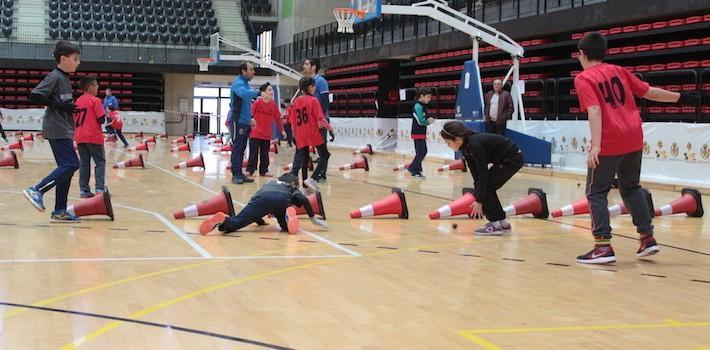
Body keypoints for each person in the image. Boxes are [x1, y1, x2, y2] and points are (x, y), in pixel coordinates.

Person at [573, 32, 699, 264]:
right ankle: (647, 238)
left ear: (582, 54)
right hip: (633, 137)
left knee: (595, 192)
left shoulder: (583, 78)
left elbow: (595, 111)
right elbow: (649, 92)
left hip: (610, 141)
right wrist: (680, 98)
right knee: (631, 188)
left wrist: (596, 146)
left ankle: (602, 246)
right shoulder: (619, 71)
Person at [23, 41, 82, 222]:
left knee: (67, 169)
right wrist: (58, 105)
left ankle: (60, 211)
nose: (78, 62)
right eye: (75, 59)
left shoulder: (65, 79)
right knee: (72, 164)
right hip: (56, 128)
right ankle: (36, 190)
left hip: (63, 128)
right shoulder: (55, 76)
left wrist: (65, 107)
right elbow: (35, 95)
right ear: (63, 59)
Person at [440, 121, 523, 236]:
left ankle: (494, 224)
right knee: (483, 186)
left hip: (512, 160)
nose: (448, 146)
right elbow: (475, 173)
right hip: (505, 160)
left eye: (448, 143)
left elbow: (483, 172)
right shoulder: (466, 148)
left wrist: (479, 201)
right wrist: (478, 191)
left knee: (486, 185)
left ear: (457, 139)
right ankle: (502, 222)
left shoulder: (474, 144)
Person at [199, 174, 328, 235]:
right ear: (294, 183)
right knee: (285, 228)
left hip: (261, 198)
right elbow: (304, 200)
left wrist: (259, 221)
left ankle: (224, 221)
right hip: (282, 202)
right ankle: (288, 218)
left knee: (238, 221)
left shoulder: (269, 184)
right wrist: (312, 218)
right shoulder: (292, 188)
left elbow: (255, 208)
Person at [289, 77, 332, 189]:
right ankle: (312, 179)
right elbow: (321, 118)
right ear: (309, 87)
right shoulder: (313, 100)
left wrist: (294, 135)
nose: (314, 88)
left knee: (304, 158)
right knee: (325, 155)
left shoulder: (296, 101)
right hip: (312, 132)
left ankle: (304, 182)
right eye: (313, 86)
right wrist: (330, 129)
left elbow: (292, 120)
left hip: (300, 133)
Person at [73, 76, 107, 198]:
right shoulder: (95, 100)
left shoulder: (77, 101)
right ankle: (99, 189)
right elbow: (101, 119)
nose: (98, 87)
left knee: (84, 163)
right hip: (93, 135)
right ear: (90, 87)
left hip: (80, 136)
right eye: (96, 85)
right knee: (100, 162)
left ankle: (84, 190)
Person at [303, 57, 335, 178]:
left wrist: (320, 118)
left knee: (322, 148)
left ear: (314, 67)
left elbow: (325, 102)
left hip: (319, 120)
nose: (304, 66)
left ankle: (322, 173)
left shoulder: (320, 81)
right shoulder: (307, 82)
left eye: (306, 64)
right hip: (311, 121)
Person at [230, 62, 261, 185]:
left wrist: (251, 118)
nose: (254, 72)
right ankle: (236, 175)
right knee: (237, 148)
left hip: (245, 122)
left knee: (242, 148)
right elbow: (243, 94)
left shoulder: (246, 84)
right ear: (243, 71)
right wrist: (259, 93)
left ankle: (240, 173)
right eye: (251, 69)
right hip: (238, 121)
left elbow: (247, 105)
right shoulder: (238, 83)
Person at [246, 82, 286, 177]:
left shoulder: (273, 105)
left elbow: (278, 119)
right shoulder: (257, 103)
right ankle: (250, 170)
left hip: (267, 134)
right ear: (263, 92)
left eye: (272, 90)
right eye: (269, 90)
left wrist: (282, 130)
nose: (272, 92)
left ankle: (264, 171)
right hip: (255, 134)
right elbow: (250, 116)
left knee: (265, 154)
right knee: (253, 154)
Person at [408, 88, 435, 179]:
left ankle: (414, 169)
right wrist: (428, 121)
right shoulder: (418, 106)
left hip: (421, 133)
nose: (429, 99)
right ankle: (414, 169)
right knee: (421, 152)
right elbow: (420, 121)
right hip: (417, 132)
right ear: (421, 96)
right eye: (428, 97)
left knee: (422, 151)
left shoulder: (422, 106)